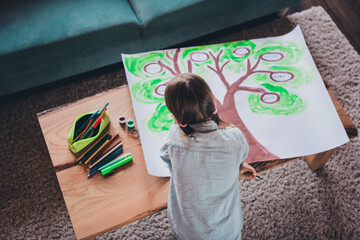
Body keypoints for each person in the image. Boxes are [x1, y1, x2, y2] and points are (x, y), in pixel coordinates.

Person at [160, 73, 257, 240]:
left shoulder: (173, 141)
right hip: (227, 232)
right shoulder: (235, 139)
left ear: (175, 118)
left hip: (187, 232)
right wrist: (239, 166)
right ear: (213, 106)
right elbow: (240, 155)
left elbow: (167, 158)